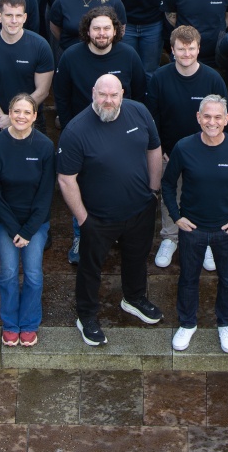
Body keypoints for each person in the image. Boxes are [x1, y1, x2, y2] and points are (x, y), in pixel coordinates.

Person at [58, 75, 164, 347]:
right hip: (98, 218)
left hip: (140, 208)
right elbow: (66, 178)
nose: (108, 101)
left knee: (137, 258)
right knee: (90, 268)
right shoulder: (75, 130)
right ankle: (87, 316)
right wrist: (83, 219)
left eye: (113, 95)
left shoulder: (139, 111)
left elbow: (154, 148)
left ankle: (134, 298)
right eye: (102, 95)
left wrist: (153, 189)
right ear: (93, 93)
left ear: (122, 94)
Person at [164, 94, 228, 354]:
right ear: (198, 118)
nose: (212, 121)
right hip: (192, 230)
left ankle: (226, 323)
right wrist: (176, 216)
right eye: (207, 116)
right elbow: (167, 184)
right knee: (187, 279)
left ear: (227, 119)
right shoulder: (184, 147)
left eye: (218, 117)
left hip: (226, 231)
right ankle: (187, 323)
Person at [146, 26, 228, 268]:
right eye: (181, 49)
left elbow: (224, 116)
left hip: (207, 150)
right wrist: (158, 146)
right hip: (168, 150)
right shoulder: (160, 77)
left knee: (205, 195)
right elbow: (153, 117)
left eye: (191, 48)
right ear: (172, 50)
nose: (186, 53)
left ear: (198, 49)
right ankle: (170, 238)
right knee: (170, 194)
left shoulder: (213, 78)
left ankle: (205, 241)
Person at [0, 93, 55, 347]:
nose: (21, 117)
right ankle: (10, 324)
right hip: (5, 221)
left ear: (35, 116)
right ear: (9, 113)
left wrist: (27, 231)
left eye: (27, 112)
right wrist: (14, 229)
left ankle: (29, 323)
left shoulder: (45, 147)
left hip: (35, 223)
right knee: (9, 273)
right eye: (17, 111)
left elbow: (46, 193)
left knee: (34, 274)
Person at [0, 0, 54, 139]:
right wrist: (2, 118)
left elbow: (43, 91)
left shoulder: (41, 46)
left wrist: (15, 117)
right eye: (9, 15)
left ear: (25, 17)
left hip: (31, 119)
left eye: (18, 15)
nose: (14, 21)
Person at [53, 7, 147, 129]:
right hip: (82, 128)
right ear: (87, 31)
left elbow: (139, 95)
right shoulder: (70, 57)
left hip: (121, 125)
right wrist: (69, 127)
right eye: (96, 28)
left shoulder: (129, 55)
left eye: (107, 28)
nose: (101, 33)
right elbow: (61, 97)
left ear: (114, 31)